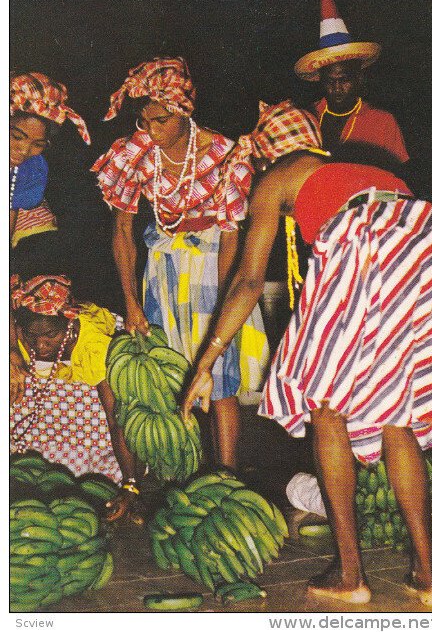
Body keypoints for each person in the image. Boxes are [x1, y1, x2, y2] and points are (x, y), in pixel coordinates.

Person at [184, 100, 432, 607]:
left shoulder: (280, 175)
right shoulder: (366, 168)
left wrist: (206, 361)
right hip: (427, 239)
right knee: (397, 414)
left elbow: (248, 280)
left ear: (267, 155)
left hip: (359, 240)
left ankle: (351, 576)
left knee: (325, 404)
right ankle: (428, 578)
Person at [91, 57, 268, 470]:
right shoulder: (135, 154)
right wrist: (132, 302)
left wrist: (225, 304)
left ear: (185, 113)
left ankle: (226, 475)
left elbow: (230, 235)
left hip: (212, 269)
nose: (151, 131)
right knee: (168, 371)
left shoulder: (225, 154)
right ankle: (178, 470)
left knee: (219, 375)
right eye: (145, 121)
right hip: (164, 270)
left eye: (162, 121)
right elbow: (122, 232)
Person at [10, 274, 144, 522]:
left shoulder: (95, 347)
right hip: (51, 385)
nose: (40, 345)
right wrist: (12, 353)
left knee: (102, 418)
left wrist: (131, 484)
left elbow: (116, 419)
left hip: (89, 392)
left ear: (69, 326)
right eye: (32, 336)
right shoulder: (22, 332)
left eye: (50, 335)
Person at [10, 72, 91, 396]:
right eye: (16, 137)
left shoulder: (32, 168)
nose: (24, 149)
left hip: (32, 241)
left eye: (37, 143)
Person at [294, 0, 409, 163]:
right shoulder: (306, 119)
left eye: (344, 79)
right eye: (330, 81)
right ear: (320, 79)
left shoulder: (383, 123)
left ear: (359, 78)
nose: (337, 88)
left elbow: (400, 178)